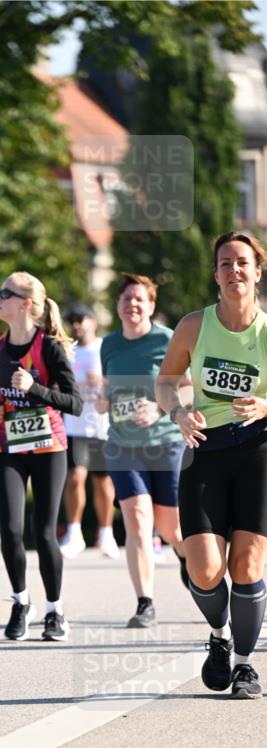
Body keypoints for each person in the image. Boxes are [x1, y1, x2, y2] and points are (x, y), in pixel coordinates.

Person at [156, 231, 267, 699]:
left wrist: (265, 406)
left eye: (242, 262)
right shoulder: (193, 326)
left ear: (258, 271)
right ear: (216, 273)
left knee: (246, 562)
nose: (234, 270)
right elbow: (165, 382)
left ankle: (244, 664)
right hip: (204, 448)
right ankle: (219, 635)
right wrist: (179, 412)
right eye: (225, 263)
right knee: (204, 569)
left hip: (258, 450)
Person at [0, 271, 83, 641]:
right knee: (9, 530)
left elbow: (75, 403)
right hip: (9, 447)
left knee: (44, 533)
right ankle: (21, 602)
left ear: (25, 304)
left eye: (4, 293)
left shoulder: (50, 347)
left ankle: (55, 611)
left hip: (48, 449)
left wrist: (35, 388)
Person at [98, 274, 188, 628]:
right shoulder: (109, 345)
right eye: (126, 299)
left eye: (139, 299)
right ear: (118, 306)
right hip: (122, 445)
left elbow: (191, 389)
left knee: (171, 529)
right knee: (137, 521)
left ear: (151, 306)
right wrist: (104, 399)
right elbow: (108, 389)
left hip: (165, 443)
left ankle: (184, 556)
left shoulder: (167, 341)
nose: (132, 304)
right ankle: (145, 602)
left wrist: (160, 408)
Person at [60, 303, 119, 560]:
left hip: (101, 426)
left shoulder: (105, 347)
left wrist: (104, 382)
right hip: (74, 425)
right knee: (74, 478)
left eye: (81, 319)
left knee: (103, 481)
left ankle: (106, 534)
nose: (76, 324)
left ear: (93, 322)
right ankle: (74, 533)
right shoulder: (66, 352)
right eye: (72, 320)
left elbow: (122, 380)